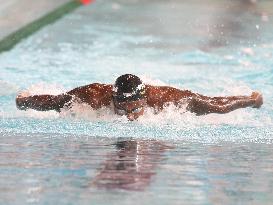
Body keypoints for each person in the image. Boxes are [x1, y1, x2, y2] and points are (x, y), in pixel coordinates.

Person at [16, 74, 263, 121]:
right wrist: (24, 101)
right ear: (113, 98)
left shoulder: (167, 99)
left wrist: (251, 100)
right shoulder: (92, 96)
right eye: (122, 109)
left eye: (134, 109)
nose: (129, 116)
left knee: (211, 107)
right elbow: (53, 101)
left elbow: (217, 105)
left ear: (145, 100)